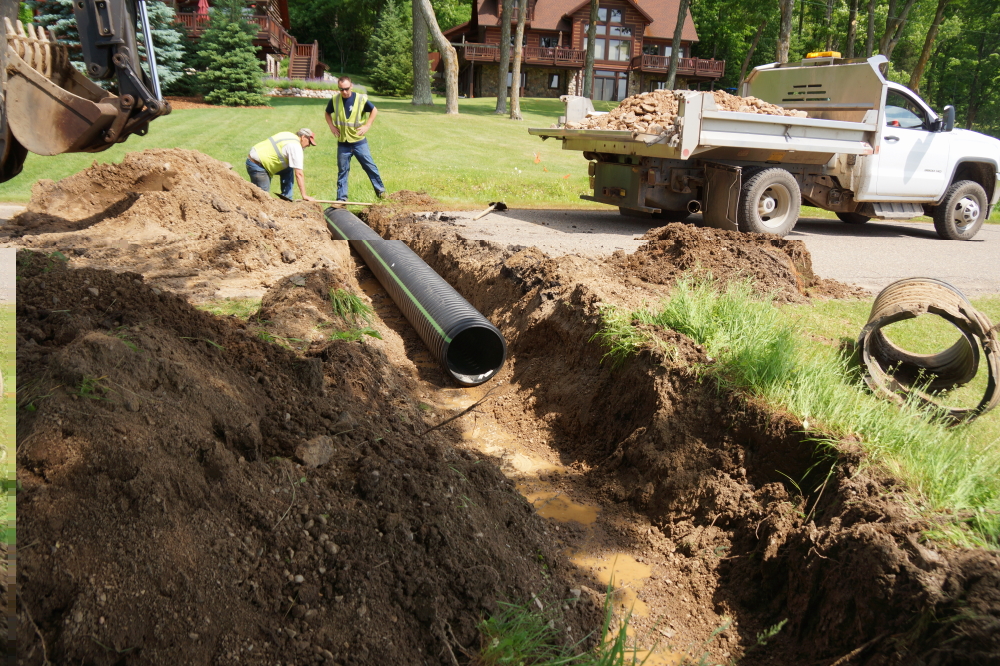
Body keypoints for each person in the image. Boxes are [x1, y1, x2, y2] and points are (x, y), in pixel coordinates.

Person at [325, 76, 386, 202]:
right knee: (343, 171)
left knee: (370, 167)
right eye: (341, 89)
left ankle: (381, 192)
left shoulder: (360, 99)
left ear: (351, 86)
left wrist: (368, 125)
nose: (344, 92)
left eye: (346, 89)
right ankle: (341, 199)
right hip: (343, 142)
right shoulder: (335, 100)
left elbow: (374, 110)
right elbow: (327, 113)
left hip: (359, 142)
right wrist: (331, 126)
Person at [246, 129, 317, 201]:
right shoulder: (295, 147)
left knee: (288, 168)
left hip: (256, 156)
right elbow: (299, 174)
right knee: (263, 199)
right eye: (309, 142)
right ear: (303, 137)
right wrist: (304, 195)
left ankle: (287, 199)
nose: (308, 145)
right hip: (258, 165)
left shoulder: (288, 134)